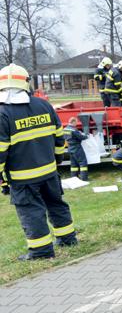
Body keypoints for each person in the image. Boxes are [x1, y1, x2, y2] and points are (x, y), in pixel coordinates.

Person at [0, 63, 78, 260]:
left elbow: (1, 151)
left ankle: (41, 251)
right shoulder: (43, 105)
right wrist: (57, 160)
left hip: (23, 178)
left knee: (31, 211)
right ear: (25, 83)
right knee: (56, 204)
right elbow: (59, 138)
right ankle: (68, 239)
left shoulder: (3, 113)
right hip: (50, 171)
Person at [64, 117, 89, 181]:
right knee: (82, 162)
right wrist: (86, 136)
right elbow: (81, 137)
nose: (76, 124)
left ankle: (74, 178)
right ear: (73, 122)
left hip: (70, 148)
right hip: (76, 148)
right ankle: (84, 178)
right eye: (76, 122)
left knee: (73, 164)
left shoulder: (65, 129)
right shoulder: (74, 130)